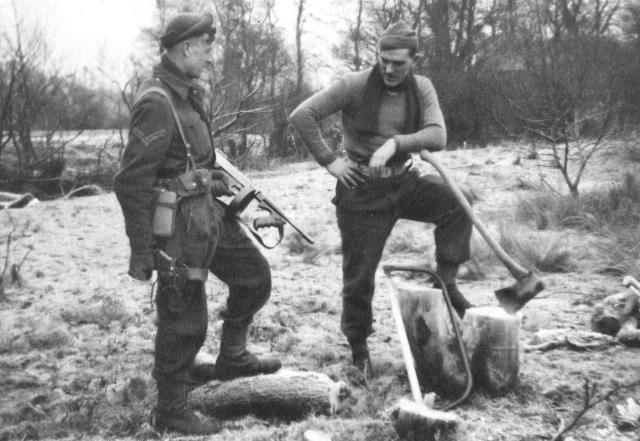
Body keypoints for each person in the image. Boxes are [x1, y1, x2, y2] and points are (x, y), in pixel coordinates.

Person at [114, 12, 281, 435]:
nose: (209, 55)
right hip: (178, 230)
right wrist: (142, 248)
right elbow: (131, 182)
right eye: (205, 47)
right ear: (186, 47)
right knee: (185, 319)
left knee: (254, 277)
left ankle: (232, 358)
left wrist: (216, 179)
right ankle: (171, 409)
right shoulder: (157, 102)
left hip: (208, 216)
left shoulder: (189, 95)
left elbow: (194, 160)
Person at [288, 20, 474, 374]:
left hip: (404, 182)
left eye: (398, 63)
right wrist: (331, 162)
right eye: (384, 59)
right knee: (359, 274)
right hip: (361, 192)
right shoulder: (355, 85)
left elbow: (438, 135)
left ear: (413, 61)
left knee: (456, 202)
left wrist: (396, 143)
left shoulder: (422, 89)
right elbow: (302, 115)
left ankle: (448, 283)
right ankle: (359, 347)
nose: (389, 68)